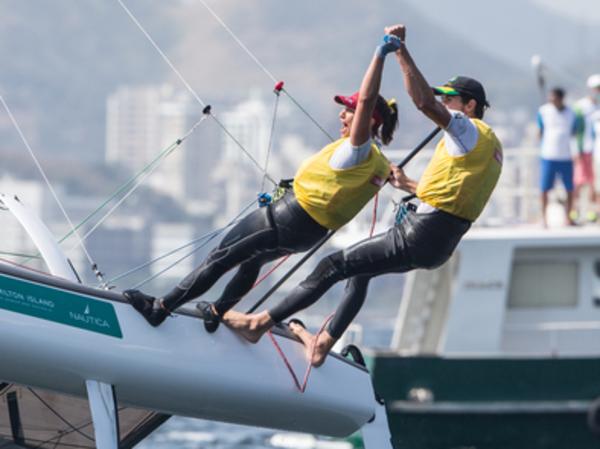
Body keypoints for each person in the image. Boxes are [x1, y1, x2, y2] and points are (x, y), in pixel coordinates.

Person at [223, 24, 503, 366]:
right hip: (440, 243)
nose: (444, 104)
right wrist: (410, 185)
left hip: (420, 234)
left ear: (470, 105)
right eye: (444, 99)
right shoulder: (488, 147)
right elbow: (454, 199)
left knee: (331, 266)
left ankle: (257, 323)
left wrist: (399, 50)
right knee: (360, 271)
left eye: (450, 99)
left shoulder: (467, 128)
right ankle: (322, 344)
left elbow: (422, 102)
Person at [123, 34, 402, 331]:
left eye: (349, 110)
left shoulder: (357, 148)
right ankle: (216, 312)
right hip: (308, 233)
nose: (342, 114)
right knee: (251, 263)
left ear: (368, 119)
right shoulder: (378, 161)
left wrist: (379, 55)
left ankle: (159, 308)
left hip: (287, 218)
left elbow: (369, 100)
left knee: (220, 257)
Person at [537, 87, 578, 227]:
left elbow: (574, 132)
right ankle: (544, 219)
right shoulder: (543, 111)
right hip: (548, 155)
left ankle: (568, 218)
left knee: (569, 189)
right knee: (544, 188)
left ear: (561, 98)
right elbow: (540, 130)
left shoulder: (571, 113)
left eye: (553, 97)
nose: (551, 99)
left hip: (566, 156)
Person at [573, 74, 600, 221]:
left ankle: (592, 212)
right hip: (583, 150)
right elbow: (574, 130)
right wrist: (575, 150)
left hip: (597, 152)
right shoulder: (580, 107)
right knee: (579, 182)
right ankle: (575, 211)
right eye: (596, 88)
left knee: (594, 183)